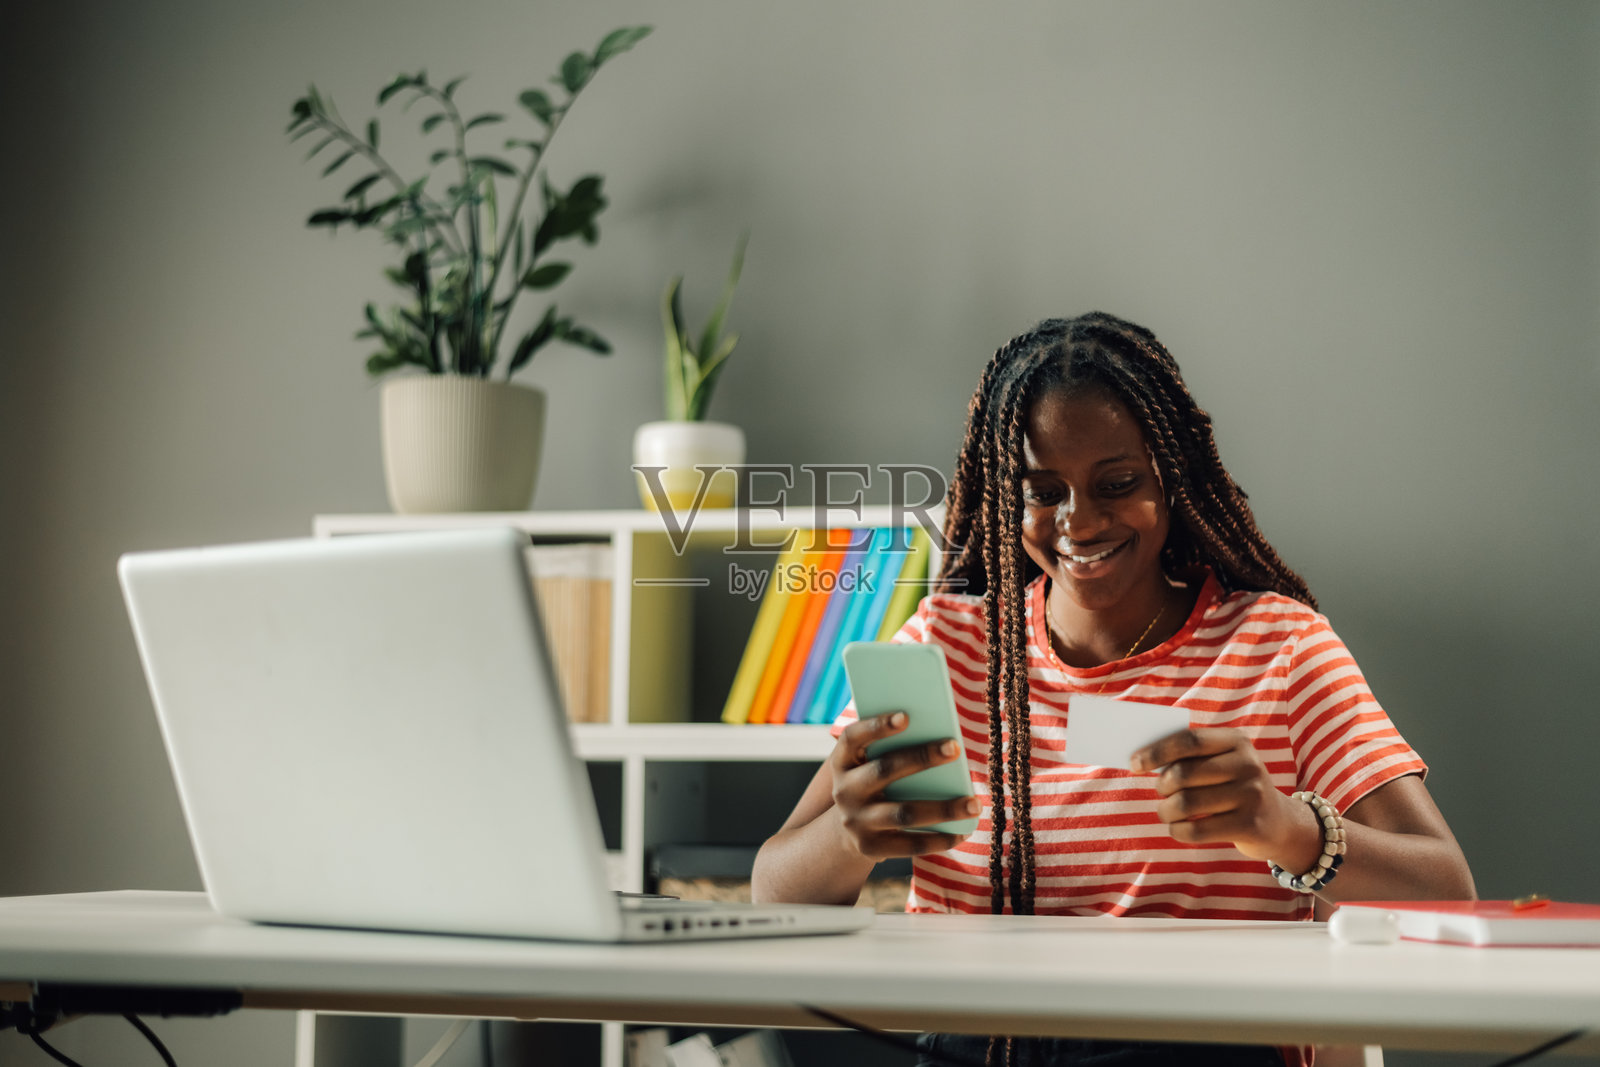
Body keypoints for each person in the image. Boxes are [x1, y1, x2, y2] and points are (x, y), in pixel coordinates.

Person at [751, 312, 1475, 1067]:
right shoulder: (946, 646)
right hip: (978, 1047)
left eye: (1117, 484)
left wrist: (1287, 827)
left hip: (1195, 1047)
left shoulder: (1278, 647)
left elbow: (1448, 891)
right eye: (1043, 491)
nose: (1080, 521)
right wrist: (849, 837)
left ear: (1171, 477)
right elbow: (774, 893)